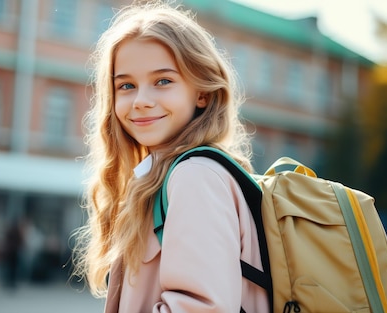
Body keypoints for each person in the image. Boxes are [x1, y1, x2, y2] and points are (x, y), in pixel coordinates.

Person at [72, 1, 269, 312]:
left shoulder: (195, 176)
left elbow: (203, 308)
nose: (141, 101)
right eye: (126, 85)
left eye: (163, 81)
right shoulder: (163, 177)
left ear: (202, 92)